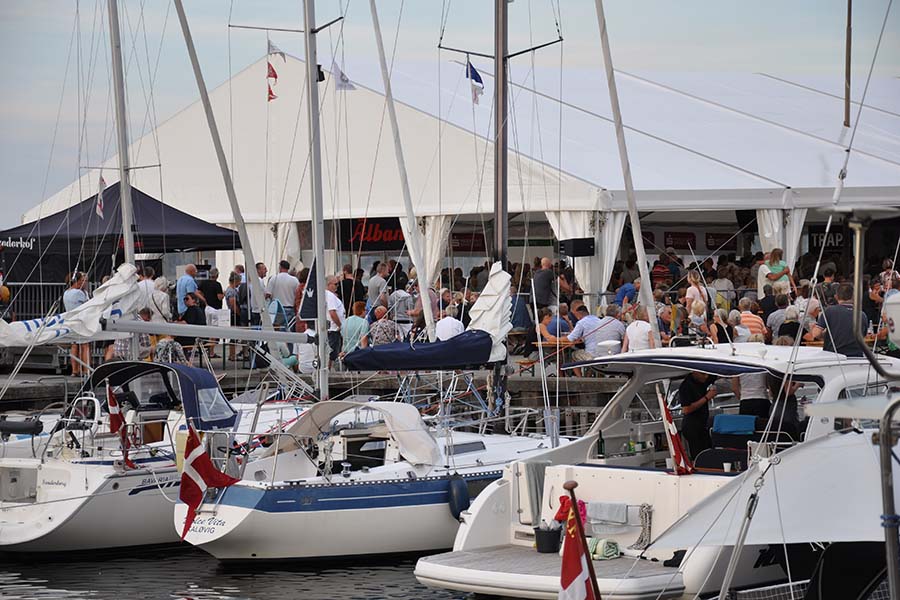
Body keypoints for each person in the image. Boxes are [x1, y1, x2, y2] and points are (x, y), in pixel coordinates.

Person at [808, 283, 869, 356]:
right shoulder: (862, 315)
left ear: (836, 297)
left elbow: (816, 334)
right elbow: (863, 335)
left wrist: (826, 334)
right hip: (856, 356)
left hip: (834, 356)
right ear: (854, 297)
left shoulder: (829, 311)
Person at [677, 371, 717, 460]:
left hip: (703, 424)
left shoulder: (704, 379)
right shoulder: (686, 386)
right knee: (699, 455)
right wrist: (707, 397)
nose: (706, 376)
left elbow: (717, 375)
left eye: (706, 373)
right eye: (703, 374)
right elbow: (686, 409)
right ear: (694, 372)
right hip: (692, 426)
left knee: (708, 452)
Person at [63, 271, 91, 376]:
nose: (85, 283)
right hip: (81, 321)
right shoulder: (79, 293)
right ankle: (86, 370)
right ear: (77, 281)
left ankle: (75, 370)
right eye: (83, 281)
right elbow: (89, 304)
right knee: (85, 346)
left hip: (71, 321)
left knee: (74, 346)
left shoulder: (66, 293)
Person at [266, 260, 299, 329]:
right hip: (290, 308)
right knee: (289, 329)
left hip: (277, 309)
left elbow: (268, 294)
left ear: (280, 267)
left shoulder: (273, 278)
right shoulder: (294, 280)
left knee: (278, 329)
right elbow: (297, 294)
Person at [324, 275, 345, 366]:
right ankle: (328, 369)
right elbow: (332, 312)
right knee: (331, 353)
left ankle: (328, 368)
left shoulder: (327, 295)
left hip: (331, 328)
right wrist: (340, 325)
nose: (337, 286)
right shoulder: (330, 296)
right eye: (336, 284)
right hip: (333, 329)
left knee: (331, 352)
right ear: (329, 284)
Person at [249, 262, 269, 327]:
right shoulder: (259, 281)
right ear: (258, 270)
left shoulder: (253, 281)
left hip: (254, 310)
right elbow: (263, 295)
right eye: (264, 269)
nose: (266, 271)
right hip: (259, 311)